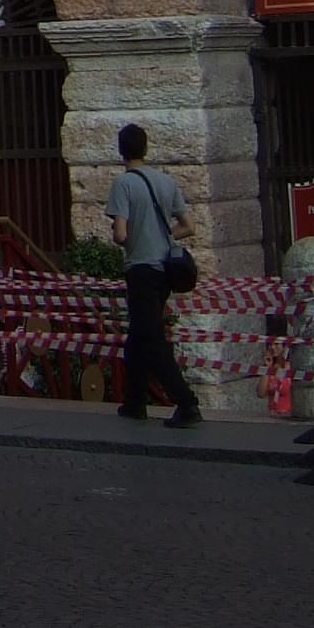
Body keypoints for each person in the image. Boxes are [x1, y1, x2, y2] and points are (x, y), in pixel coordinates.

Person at [106, 123, 201, 428]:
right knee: (139, 336)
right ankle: (134, 400)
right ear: (146, 148)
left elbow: (121, 235)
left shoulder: (123, 184)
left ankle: (186, 402)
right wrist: (164, 237)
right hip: (164, 270)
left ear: (121, 150)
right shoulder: (165, 182)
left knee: (151, 338)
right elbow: (189, 226)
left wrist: (127, 235)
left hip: (141, 269)